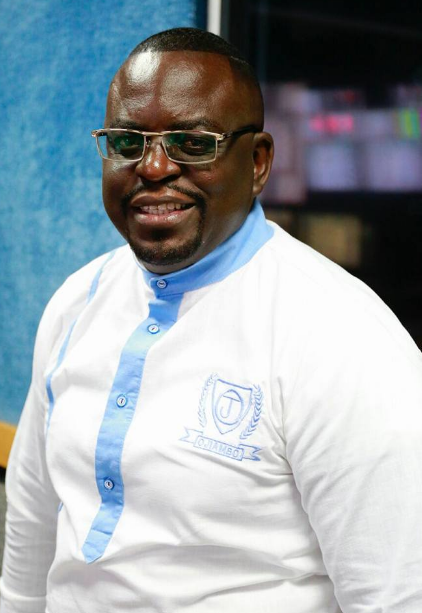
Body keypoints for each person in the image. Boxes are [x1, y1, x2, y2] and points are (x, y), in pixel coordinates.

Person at [1, 27, 422, 613]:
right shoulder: (77, 301)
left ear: (258, 162)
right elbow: (30, 532)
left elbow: (395, 596)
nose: (152, 167)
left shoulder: (342, 339)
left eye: (192, 143)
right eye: (126, 142)